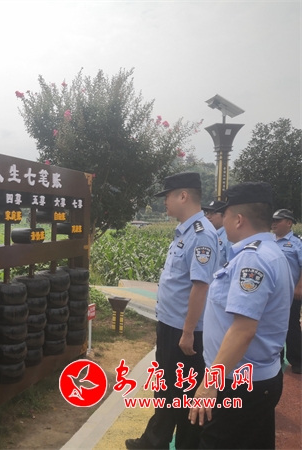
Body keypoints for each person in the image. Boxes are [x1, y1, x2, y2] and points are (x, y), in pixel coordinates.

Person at [188, 182, 293, 449]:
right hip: (253, 378)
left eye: (224, 215)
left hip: (238, 383)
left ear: (238, 219)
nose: (221, 222)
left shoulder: (253, 259)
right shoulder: (270, 253)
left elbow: (243, 330)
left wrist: (209, 384)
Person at [126, 172, 219, 450]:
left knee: (184, 390)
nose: (164, 202)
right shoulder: (185, 232)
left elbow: (200, 287)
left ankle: (181, 444)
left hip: (184, 330)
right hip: (171, 325)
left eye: (167, 196)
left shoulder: (201, 235)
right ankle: (155, 441)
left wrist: (188, 332)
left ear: (183, 196)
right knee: (168, 388)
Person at [272, 208, 302, 374]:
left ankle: (297, 360)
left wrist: (299, 286)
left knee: (291, 325)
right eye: (273, 220)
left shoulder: (297, 243)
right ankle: (276, 358)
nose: (274, 223)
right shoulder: (269, 241)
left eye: (278, 220)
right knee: (272, 324)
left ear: (289, 223)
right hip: (272, 293)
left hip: (291, 292)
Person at [202, 199, 232, 267]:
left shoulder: (229, 237)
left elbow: (231, 265)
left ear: (224, 216)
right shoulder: (206, 234)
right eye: (207, 213)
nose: (208, 216)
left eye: (212, 213)